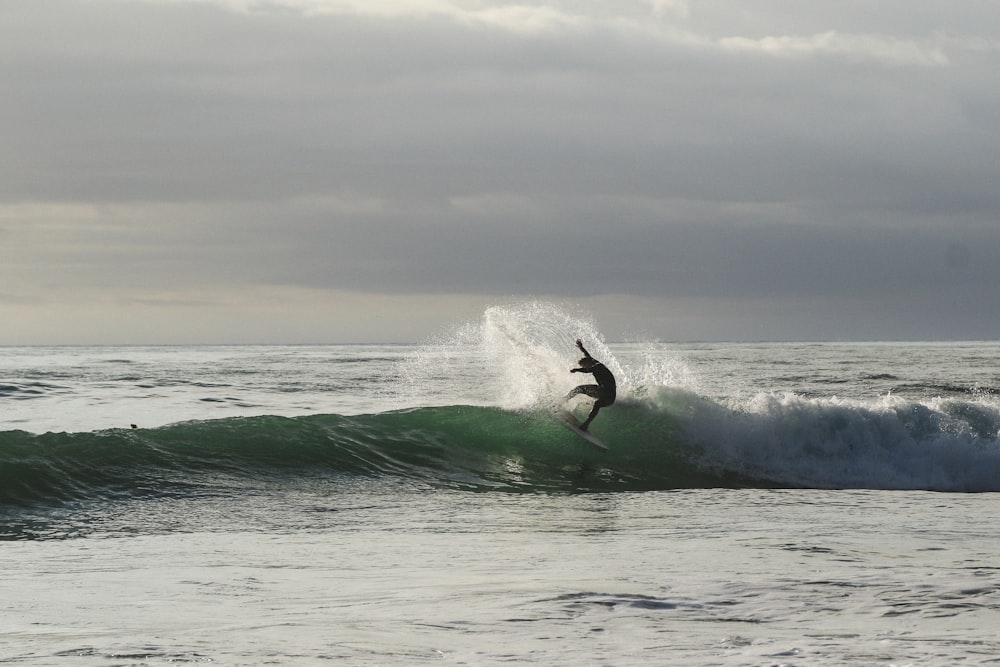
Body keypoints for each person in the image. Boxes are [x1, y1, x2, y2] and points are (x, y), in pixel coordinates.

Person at [565, 338, 616, 431]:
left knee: (583, 392)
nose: (584, 367)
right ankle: (565, 400)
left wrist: (577, 370)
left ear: (588, 363)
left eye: (584, 365)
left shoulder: (597, 366)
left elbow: (587, 370)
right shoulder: (593, 362)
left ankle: (585, 424)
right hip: (606, 395)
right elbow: (587, 355)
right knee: (590, 398)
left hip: (607, 394)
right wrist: (581, 348)